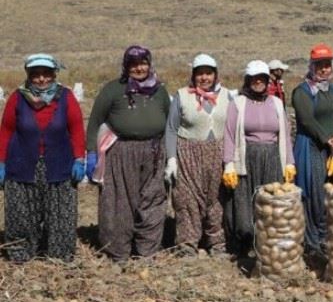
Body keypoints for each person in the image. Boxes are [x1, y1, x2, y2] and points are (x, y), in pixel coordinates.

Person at [86, 45, 170, 262]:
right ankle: (118, 251)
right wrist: (91, 153)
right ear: (126, 66)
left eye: (143, 63)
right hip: (122, 151)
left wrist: (171, 156)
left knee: (153, 200)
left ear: (149, 64)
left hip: (154, 150)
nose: (139, 68)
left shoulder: (160, 91)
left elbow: (170, 123)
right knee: (119, 202)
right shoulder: (113, 89)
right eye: (133, 64)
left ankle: (147, 250)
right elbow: (94, 122)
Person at [0, 54, 85, 262]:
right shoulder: (18, 98)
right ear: (29, 76)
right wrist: (1, 162)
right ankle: (21, 253)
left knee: (60, 212)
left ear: (54, 74)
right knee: (21, 212)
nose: (41, 79)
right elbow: (6, 130)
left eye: (46, 74)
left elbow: (76, 129)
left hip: (59, 163)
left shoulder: (66, 97)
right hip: (22, 163)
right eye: (36, 75)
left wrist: (79, 159)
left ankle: (59, 254)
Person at [221, 60, 295, 257]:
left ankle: (267, 247)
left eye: (262, 78)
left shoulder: (277, 103)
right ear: (248, 80)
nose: (258, 82)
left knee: (270, 205)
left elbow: (285, 136)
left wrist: (289, 162)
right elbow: (229, 134)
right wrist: (228, 164)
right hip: (246, 158)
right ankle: (244, 244)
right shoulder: (238, 103)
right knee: (244, 206)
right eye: (254, 78)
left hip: (272, 157)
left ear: (267, 80)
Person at [164, 54, 231, 257]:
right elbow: (171, 128)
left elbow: (233, 128)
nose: (204, 78)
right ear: (193, 75)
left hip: (217, 154)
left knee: (217, 200)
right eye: (200, 73)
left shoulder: (228, 96)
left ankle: (217, 243)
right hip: (188, 155)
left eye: (208, 73)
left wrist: (231, 160)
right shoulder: (182, 95)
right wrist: (172, 159)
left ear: (215, 75)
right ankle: (187, 245)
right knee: (186, 200)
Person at [291, 43, 333, 257]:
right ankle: (313, 244)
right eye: (320, 65)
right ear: (312, 66)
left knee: (332, 194)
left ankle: (329, 239)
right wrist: (328, 140)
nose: (324, 69)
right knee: (314, 196)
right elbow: (307, 120)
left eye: (327, 65)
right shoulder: (302, 91)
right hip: (312, 148)